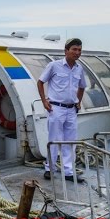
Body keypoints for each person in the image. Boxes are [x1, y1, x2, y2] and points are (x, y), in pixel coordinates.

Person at [37, 38, 87, 183]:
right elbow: (40, 82)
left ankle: (69, 171)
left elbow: (82, 86)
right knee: (54, 139)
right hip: (56, 108)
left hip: (71, 110)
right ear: (66, 51)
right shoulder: (54, 66)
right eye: (74, 50)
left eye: (79, 50)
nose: (77, 53)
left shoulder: (79, 69)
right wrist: (44, 101)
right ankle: (49, 168)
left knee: (70, 141)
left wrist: (78, 102)